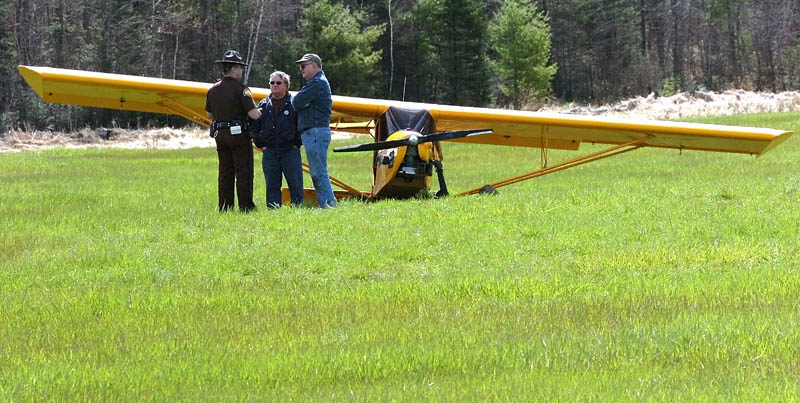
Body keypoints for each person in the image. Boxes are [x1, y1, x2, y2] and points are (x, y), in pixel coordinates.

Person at [205, 50, 261, 212]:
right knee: (243, 171)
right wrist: (262, 110)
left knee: (225, 172)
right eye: (240, 68)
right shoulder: (242, 90)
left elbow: (209, 114)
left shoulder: (212, 90)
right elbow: (254, 115)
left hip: (220, 135)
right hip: (238, 136)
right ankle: (246, 206)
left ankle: (225, 206)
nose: (242, 71)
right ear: (234, 69)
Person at [251, 71, 304, 208]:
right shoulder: (263, 104)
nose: (275, 85)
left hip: (289, 151)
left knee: (295, 184)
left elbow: (302, 124)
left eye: (278, 83)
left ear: (286, 85)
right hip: (270, 151)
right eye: (272, 83)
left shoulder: (294, 103)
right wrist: (259, 143)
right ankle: (273, 212)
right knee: (272, 185)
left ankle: (298, 209)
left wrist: (297, 143)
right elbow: (255, 126)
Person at [292, 53, 337, 208]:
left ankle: (329, 205)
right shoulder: (317, 83)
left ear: (313, 65)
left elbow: (296, 102)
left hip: (315, 132)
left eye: (303, 66)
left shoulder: (317, 83)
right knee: (318, 172)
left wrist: (302, 103)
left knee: (318, 173)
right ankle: (328, 204)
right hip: (314, 132)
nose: (301, 70)